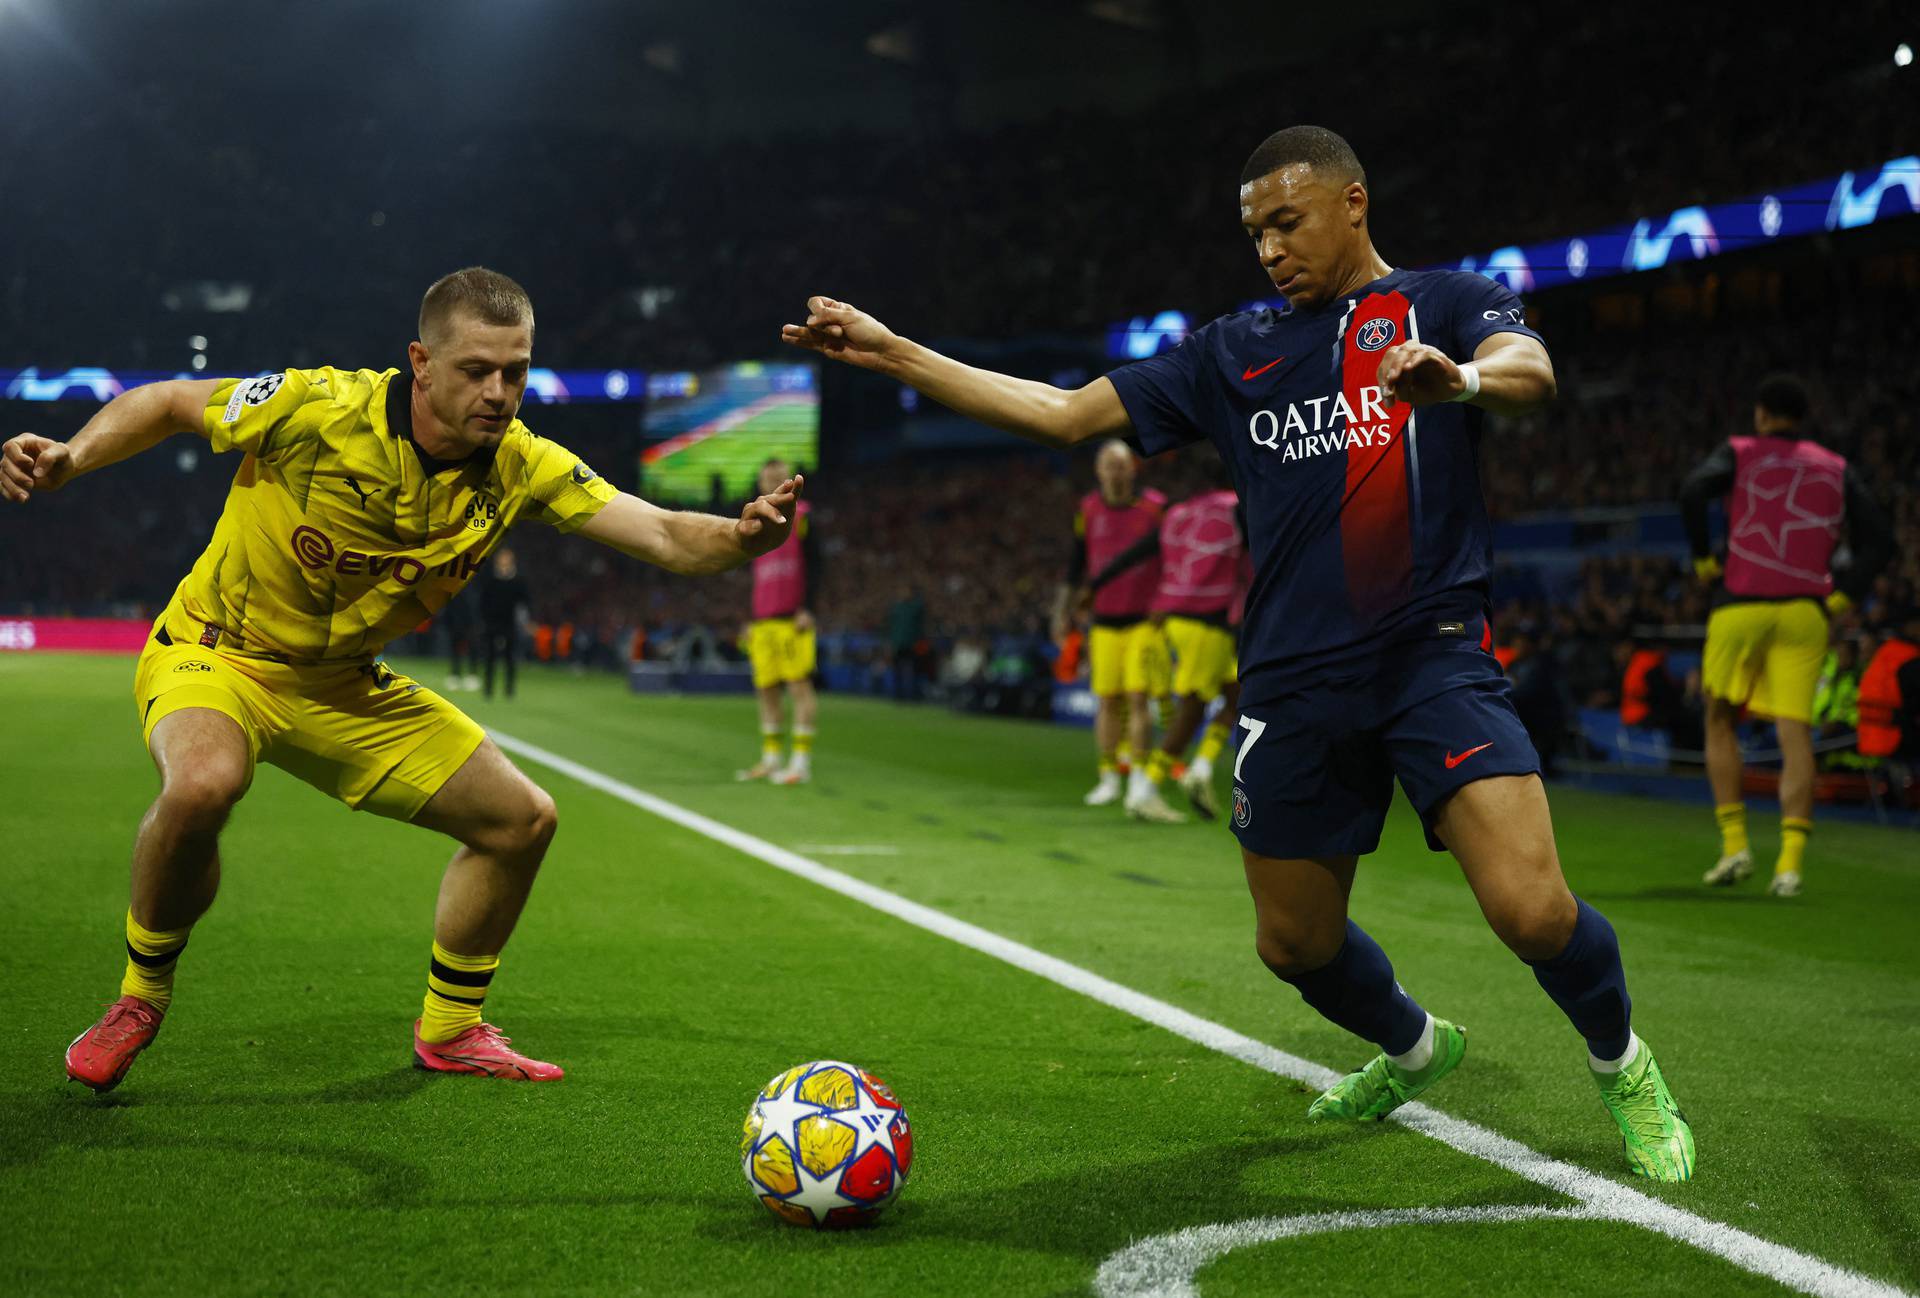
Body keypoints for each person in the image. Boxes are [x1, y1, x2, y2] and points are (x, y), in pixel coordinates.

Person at [783, 125, 1694, 1180]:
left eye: (1287, 222)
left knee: (1533, 908)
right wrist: (890, 350)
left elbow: (1526, 364)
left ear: (1354, 203)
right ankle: (1413, 1046)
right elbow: (1063, 413)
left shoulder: (1442, 302)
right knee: (1294, 944)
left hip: (1427, 655)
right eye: (1255, 230)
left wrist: (1465, 384)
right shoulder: (1234, 349)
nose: (1269, 248)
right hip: (1292, 677)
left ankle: (1622, 1061)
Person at [2, 266, 804, 1091]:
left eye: (516, 372)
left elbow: (667, 535)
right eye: (476, 370)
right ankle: (139, 997)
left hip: (345, 684)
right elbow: (171, 400)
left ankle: (452, 1027)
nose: (500, 393)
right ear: (420, 362)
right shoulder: (319, 406)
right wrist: (73, 455)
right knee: (206, 782)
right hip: (220, 651)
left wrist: (741, 536)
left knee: (522, 821)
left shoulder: (521, 465)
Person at [1678, 373, 1893, 897]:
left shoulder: (1741, 450)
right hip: (1805, 611)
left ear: (1761, 414)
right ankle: (1790, 866)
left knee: (1720, 717)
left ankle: (1735, 849)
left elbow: (1692, 491)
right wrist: (1842, 595)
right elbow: (1879, 540)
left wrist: (1705, 557)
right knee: (1794, 730)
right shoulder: (1835, 466)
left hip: (1741, 603)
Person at [1087, 452, 1246, 822]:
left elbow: (1136, 553)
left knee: (1239, 694)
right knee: (1192, 705)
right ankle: (1147, 788)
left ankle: (1201, 769)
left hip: (1173, 615)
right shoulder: (1237, 508)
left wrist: (1093, 584)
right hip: (1209, 619)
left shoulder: (1179, 512)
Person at [1060, 440, 1169, 811]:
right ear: (1098, 470)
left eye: (1121, 464)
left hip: (1145, 620)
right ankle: (1108, 776)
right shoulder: (1087, 510)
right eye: (1109, 464)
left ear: (1133, 468)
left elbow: (1173, 555)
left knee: (1139, 697)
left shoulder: (1156, 507)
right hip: (1104, 620)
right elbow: (1076, 564)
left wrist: (1167, 601)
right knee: (1107, 699)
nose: (1116, 471)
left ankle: (1138, 776)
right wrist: (1062, 609)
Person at [736, 457, 818, 785]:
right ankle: (771, 760)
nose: (773, 479)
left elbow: (817, 561)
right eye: (767, 475)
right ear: (759, 482)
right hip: (762, 620)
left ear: (790, 479)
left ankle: (800, 763)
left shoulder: (804, 515)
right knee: (766, 690)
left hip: (791, 617)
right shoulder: (755, 520)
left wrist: (808, 607)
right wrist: (749, 618)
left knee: (799, 687)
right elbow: (749, 573)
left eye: (779, 475)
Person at [1857, 608, 1920, 762]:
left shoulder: (1885, 654)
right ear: (1911, 627)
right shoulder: (1909, 659)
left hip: (1871, 744)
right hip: (1899, 744)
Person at [478, 546, 530, 699]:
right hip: (492, 623)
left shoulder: (518, 580)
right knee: (490, 657)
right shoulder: (490, 578)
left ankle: (509, 689)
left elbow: (525, 601)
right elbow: (483, 600)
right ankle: (488, 689)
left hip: (509, 623)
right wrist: (483, 619)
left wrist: (527, 620)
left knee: (510, 658)